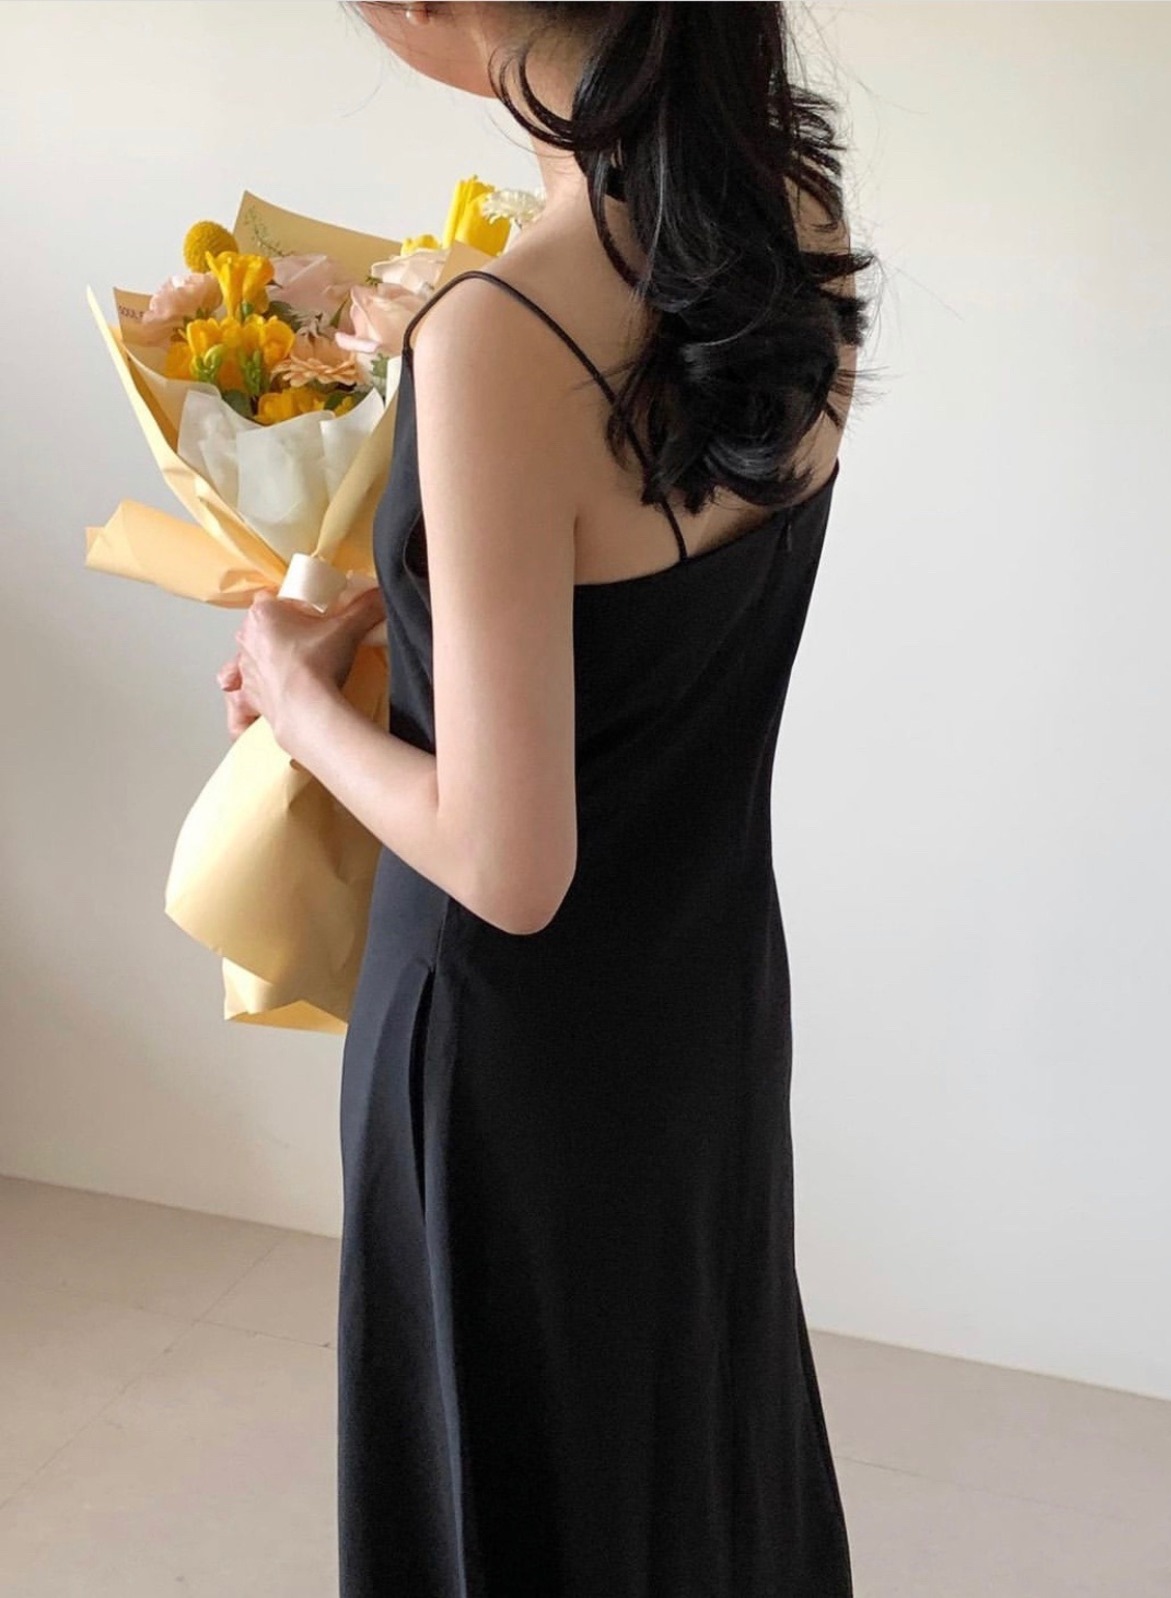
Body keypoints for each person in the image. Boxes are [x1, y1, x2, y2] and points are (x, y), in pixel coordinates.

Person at [223, 3, 879, 1593]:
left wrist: (297, 702)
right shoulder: (788, 214)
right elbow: (653, 609)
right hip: (704, 992)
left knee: (507, 1498)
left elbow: (508, 863)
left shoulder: (499, 334)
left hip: (508, 1062)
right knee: (687, 1448)